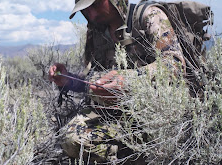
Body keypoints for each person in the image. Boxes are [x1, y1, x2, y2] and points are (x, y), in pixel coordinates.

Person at [49, 0, 185, 164]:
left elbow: (175, 64)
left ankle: (144, 155)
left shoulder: (149, 16)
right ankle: (129, 155)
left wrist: (130, 79)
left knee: (161, 143)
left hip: (157, 112)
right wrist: (68, 80)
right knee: (70, 140)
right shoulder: (95, 30)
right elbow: (91, 82)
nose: (91, 14)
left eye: (96, 5)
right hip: (115, 115)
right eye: (85, 10)